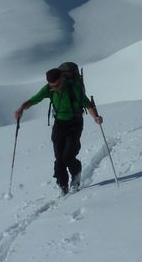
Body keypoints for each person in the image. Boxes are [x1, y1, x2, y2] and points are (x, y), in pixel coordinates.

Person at [15, 66, 103, 195]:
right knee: (59, 157)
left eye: (56, 85)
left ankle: (76, 174)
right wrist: (21, 108)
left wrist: (95, 117)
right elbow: (34, 99)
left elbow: (88, 104)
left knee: (68, 156)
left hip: (75, 123)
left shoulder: (74, 88)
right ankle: (62, 184)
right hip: (59, 124)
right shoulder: (49, 89)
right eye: (52, 86)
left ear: (62, 78)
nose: (54, 88)